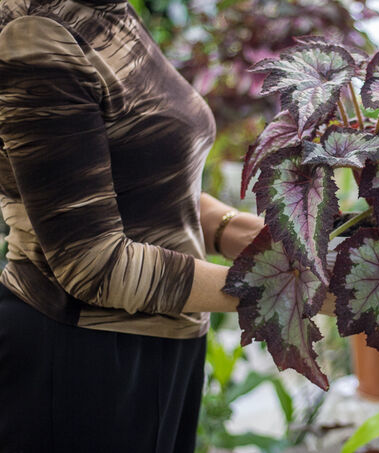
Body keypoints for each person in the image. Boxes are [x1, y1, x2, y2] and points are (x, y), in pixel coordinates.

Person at [0, 0, 265, 450]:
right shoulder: (36, 37)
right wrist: (279, 290)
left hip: (160, 341)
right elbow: (93, 263)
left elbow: (141, 183)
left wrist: (252, 234)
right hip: (81, 359)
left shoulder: (108, 10)